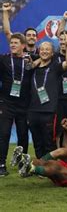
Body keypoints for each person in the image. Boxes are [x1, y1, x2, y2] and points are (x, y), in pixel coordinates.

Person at [29, 41, 67, 159]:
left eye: (47, 49)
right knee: (37, 142)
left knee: (49, 142)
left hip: (49, 111)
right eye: (42, 49)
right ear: (38, 51)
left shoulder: (55, 67)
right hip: (32, 110)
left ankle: (49, 167)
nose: (44, 51)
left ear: (52, 53)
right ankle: (40, 166)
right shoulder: (32, 67)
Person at [0, 33, 33, 176]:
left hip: (24, 105)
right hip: (7, 103)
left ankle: (23, 164)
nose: (12, 45)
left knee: (23, 135)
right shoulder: (4, 59)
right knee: (4, 133)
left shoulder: (30, 60)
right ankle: (1, 164)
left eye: (16, 43)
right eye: (11, 42)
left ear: (23, 46)